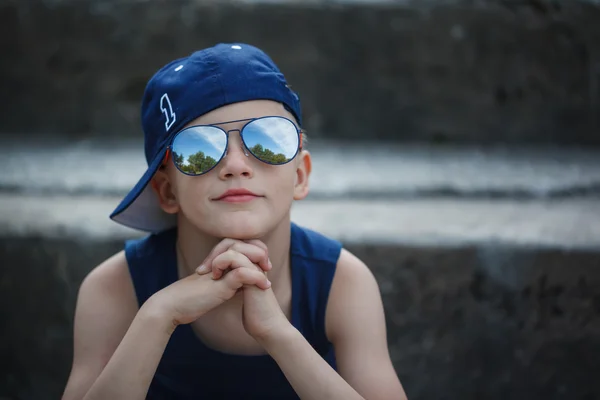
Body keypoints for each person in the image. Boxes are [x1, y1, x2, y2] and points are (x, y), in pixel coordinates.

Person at [62, 43, 407, 400]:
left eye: (267, 139)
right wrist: (158, 316)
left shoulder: (341, 283)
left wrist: (278, 334)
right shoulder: (115, 288)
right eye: (199, 149)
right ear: (167, 191)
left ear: (300, 175)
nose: (236, 165)